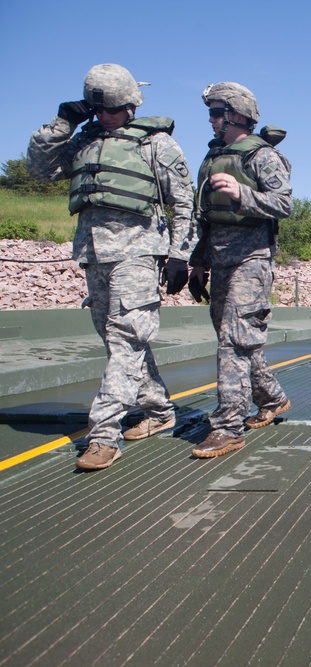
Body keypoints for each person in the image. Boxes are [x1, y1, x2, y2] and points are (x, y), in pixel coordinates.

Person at [26, 64, 196, 470]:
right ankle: (158, 410)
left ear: (132, 105)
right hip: (93, 252)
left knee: (126, 340)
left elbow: (186, 203)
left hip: (138, 253)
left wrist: (179, 255)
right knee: (119, 339)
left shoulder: (156, 145)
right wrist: (62, 123)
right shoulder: (84, 140)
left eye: (113, 110)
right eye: (98, 109)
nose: (105, 116)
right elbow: (38, 169)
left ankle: (104, 434)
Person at [188, 82, 292, 459]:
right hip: (219, 260)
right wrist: (199, 262)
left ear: (236, 116)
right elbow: (206, 218)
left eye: (217, 113)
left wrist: (241, 193)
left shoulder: (262, 157)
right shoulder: (212, 157)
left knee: (232, 340)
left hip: (252, 258)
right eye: (211, 113)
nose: (212, 120)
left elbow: (283, 204)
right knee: (237, 339)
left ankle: (228, 425)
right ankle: (273, 398)